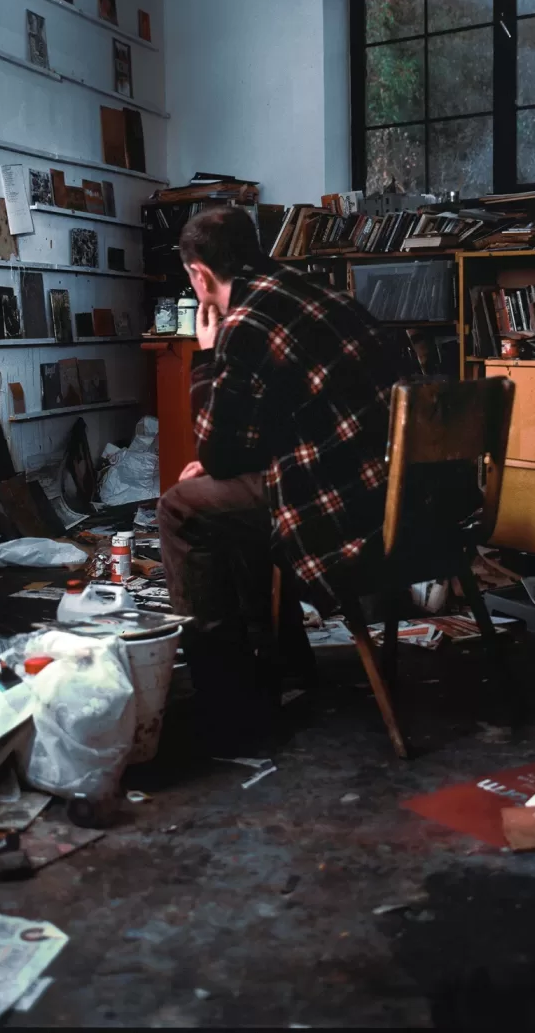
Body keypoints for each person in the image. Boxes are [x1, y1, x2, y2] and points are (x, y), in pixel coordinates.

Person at [158, 205, 414, 752]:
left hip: (346, 511)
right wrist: (228, 459)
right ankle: (283, 663)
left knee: (181, 507)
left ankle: (228, 706)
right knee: (228, 504)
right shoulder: (322, 295)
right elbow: (282, 419)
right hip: (410, 503)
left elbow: (219, 453)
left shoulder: (244, 323)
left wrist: (206, 358)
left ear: (199, 275)